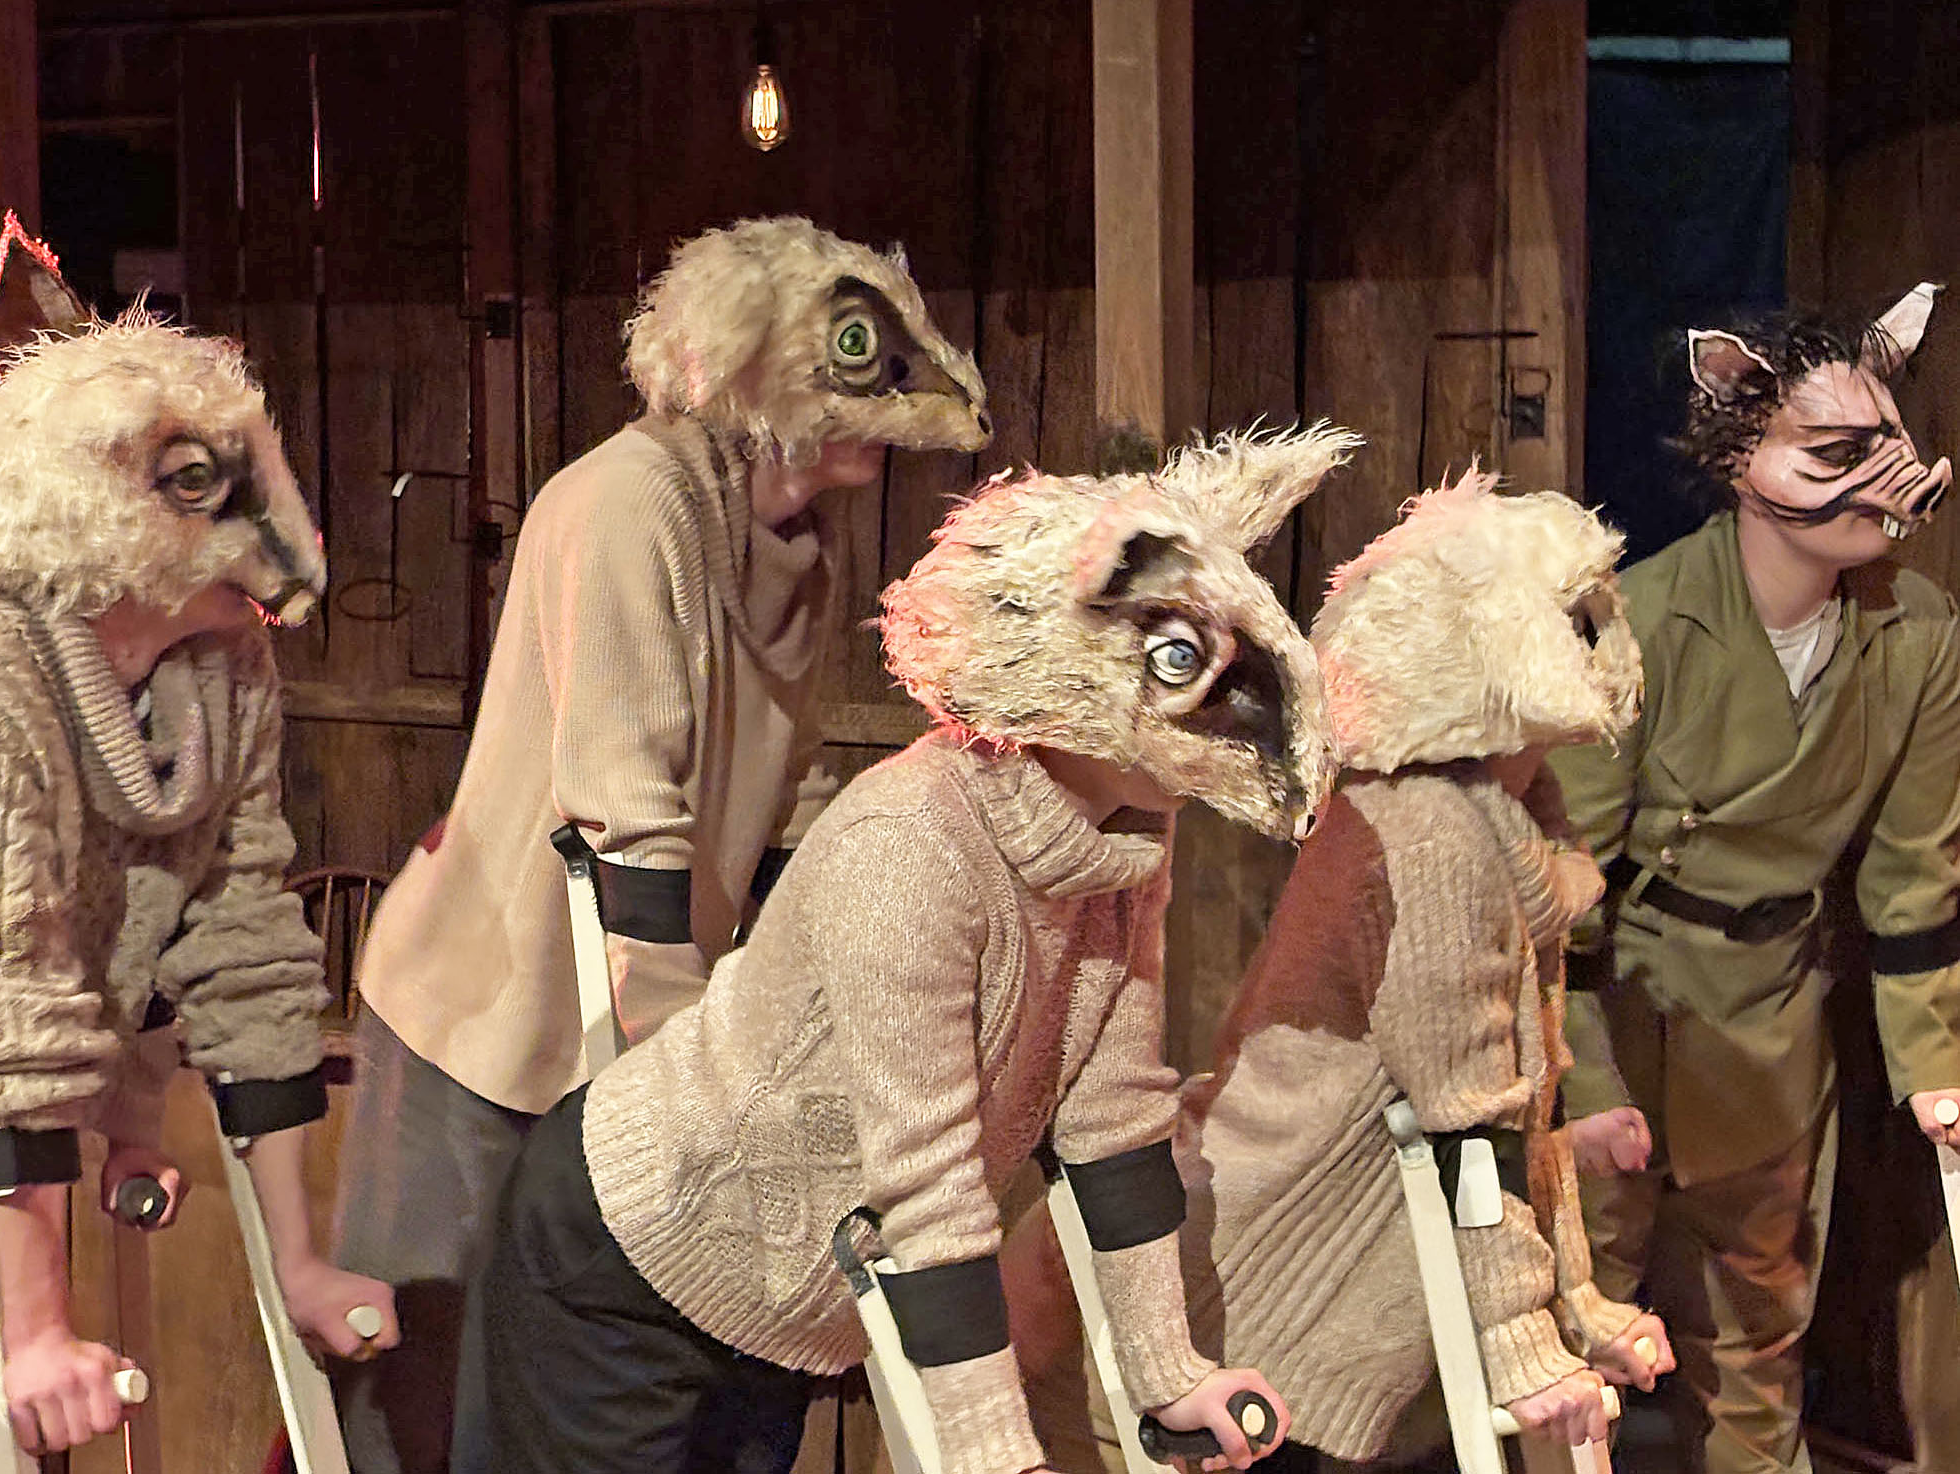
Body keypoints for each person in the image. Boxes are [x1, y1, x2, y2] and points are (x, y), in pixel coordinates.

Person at [479, 427, 1353, 1474]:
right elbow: (926, 1183)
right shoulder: (912, 845)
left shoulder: (1125, 833)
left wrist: (1170, 1372)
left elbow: (1114, 1116)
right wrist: (994, 1452)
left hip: (781, 1311)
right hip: (628, 1268)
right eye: (1173, 662)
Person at [330, 215, 990, 1473]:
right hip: (490, 1007)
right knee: (432, 1382)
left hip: (635, 1005)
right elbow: (624, 812)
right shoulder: (630, 499)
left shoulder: (802, 536)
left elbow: (759, 789)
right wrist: (683, 1083)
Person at [1009, 470, 1674, 1472]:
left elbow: (1503, 1108)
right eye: (1569, 619)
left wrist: (1573, 1305)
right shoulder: (1430, 833)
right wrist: (1532, 1347)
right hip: (1275, 1275)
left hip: (1353, 1285)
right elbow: (1469, 1124)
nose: (1600, 647)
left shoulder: (1507, 827)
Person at [0, 265, 399, 1466]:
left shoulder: (219, 674)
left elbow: (243, 945)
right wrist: (35, 1330)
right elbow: (6, 991)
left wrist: (300, 1259)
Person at [1551, 285, 1960, 1474]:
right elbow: (1565, 873)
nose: (1885, 476)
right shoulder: (1644, 618)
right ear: (1744, 455)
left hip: (1775, 1013)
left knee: (1757, 1325)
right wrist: (1579, 1075)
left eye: (1888, 444)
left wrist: (1936, 1065)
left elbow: (1913, 872)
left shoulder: (1918, 634)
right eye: (1836, 451)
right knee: (1585, 1320)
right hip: (1629, 998)